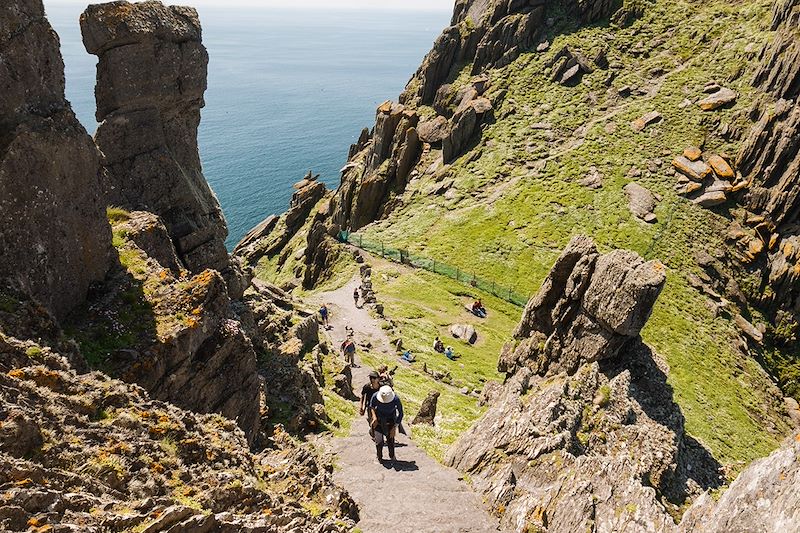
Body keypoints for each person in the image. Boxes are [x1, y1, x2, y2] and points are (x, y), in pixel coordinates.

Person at [370, 385, 404, 463]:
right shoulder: (375, 396)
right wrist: (374, 417)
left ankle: (392, 456)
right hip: (378, 419)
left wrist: (395, 427)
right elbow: (371, 406)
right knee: (379, 441)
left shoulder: (396, 399)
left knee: (390, 440)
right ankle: (379, 457)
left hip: (391, 420)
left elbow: (401, 413)